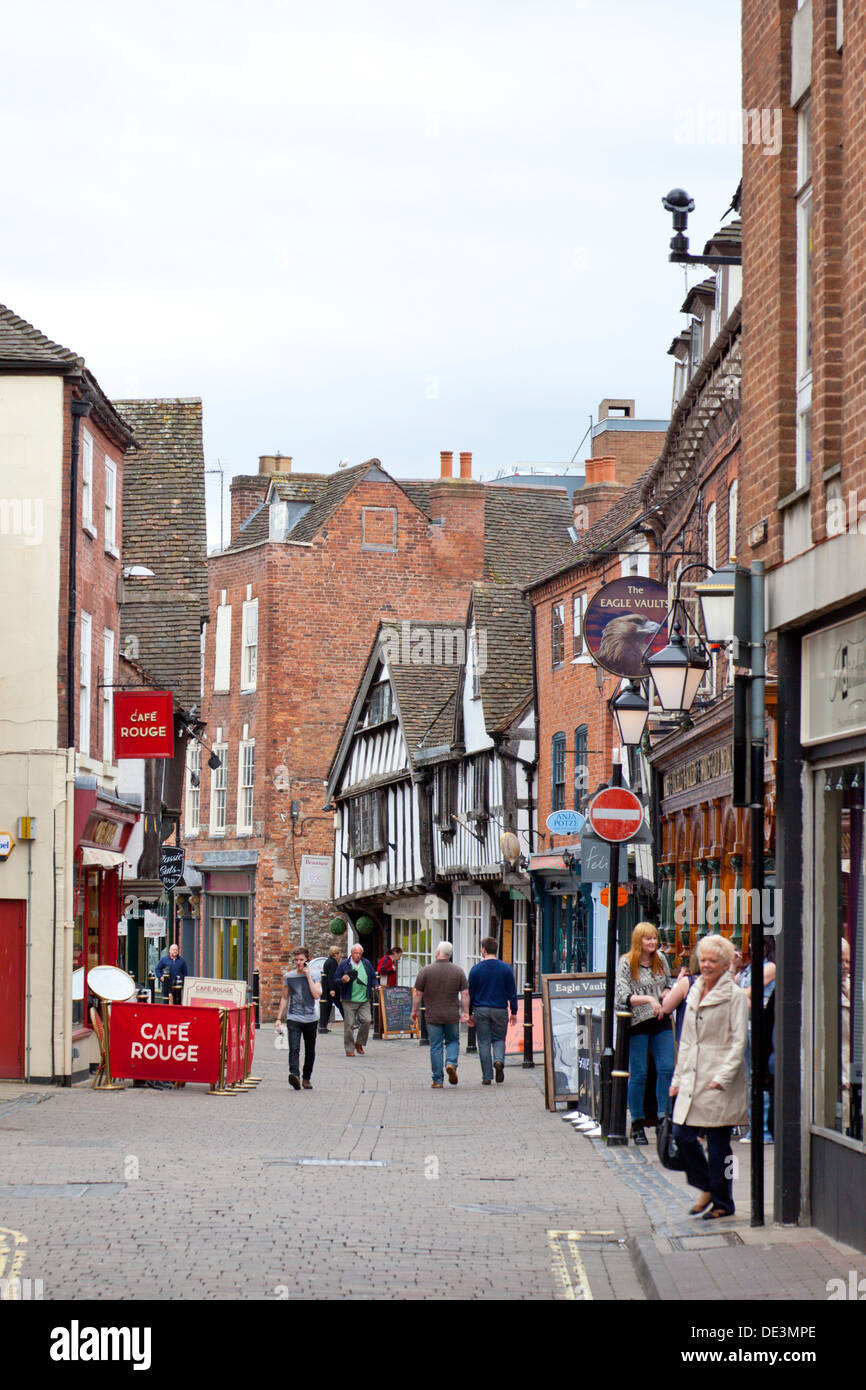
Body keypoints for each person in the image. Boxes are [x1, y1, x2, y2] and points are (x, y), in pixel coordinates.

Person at [670, 933, 749, 1220]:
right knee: (683, 1135)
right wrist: (677, 1078)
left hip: (719, 1079)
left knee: (718, 1144)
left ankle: (723, 1203)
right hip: (692, 1076)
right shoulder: (693, 990)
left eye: (713, 961)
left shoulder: (735, 997)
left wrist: (723, 1078)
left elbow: (739, 1042)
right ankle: (706, 1187)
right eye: (703, 959)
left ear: (725, 963)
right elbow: (687, 1040)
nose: (706, 965)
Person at [615, 922, 673, 1144]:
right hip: (637, 1021)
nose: (653, 942)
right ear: (638, 940)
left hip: (660, 1020)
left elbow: (668, 984)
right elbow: (623, 995)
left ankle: (662, 1119)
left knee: (666, 1067)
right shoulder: (627, 962)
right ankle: (637, 1123)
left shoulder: (661, 959)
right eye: (648, 939)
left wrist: (666, 993)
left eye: (654, 938)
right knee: (639, 1073)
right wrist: (649, 999)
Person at [410, 943, 469, 1088]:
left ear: (437, 952)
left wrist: (414, 1011)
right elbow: (465, 993)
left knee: (435, 1046)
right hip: (451, 1015)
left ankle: (437, 1080)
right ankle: (451, 1063)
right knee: (453, 1041)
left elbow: (418, 993)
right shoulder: (458, 971)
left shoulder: (426, 971)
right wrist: (466, 1012)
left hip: (433, 1015)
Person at [467, 937, 518, 1085]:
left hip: (481, 1009)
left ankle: (487, 1076)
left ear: (483, 950)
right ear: (496, 949)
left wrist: (469, 1012)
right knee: (499, 1039)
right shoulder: (506, 968)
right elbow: (512, 992)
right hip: (500, 1009)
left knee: (483, 1042)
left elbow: (471, 993)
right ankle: (499, 1060)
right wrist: (514, 1011)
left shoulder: (475, 969)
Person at [276, 947, 322, 1089]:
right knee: (294, 1048)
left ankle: (306, 1078)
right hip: (293, 1017)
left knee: (310, 1050)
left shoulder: (315, 975)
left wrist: (308, 976)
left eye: (301, 960)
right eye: (296, 960)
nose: (298, 963)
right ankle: (294, 1075)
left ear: (307, 960)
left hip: (310, 1018)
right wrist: (279, 1018)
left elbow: (316, 995)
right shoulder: (289, 977)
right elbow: (285, 997)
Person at [336, 942, 377, 1056]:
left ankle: (359, 1043)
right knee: (349, 1025)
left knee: (367, 1020)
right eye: (356, 953)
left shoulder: (366, 963)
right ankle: (349, 1049)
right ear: (351, 953)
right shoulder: (344, 964)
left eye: (359, 953)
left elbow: (373, 977)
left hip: (364, 999)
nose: (358, 955)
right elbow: (335, 979)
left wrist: (376, 985)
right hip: (349, 1000)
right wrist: (342, 980)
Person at [319, 944, 344, 1033]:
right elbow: (331, 976)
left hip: (327, 988)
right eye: (339, 953)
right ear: (335, 954)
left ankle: (323, 1025)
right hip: (332, 988)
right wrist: (332, 989)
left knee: (328, 1007)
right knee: (340, 1005)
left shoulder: (328, 961)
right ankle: (349, 1023)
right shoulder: (333, 962)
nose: (340, 955)